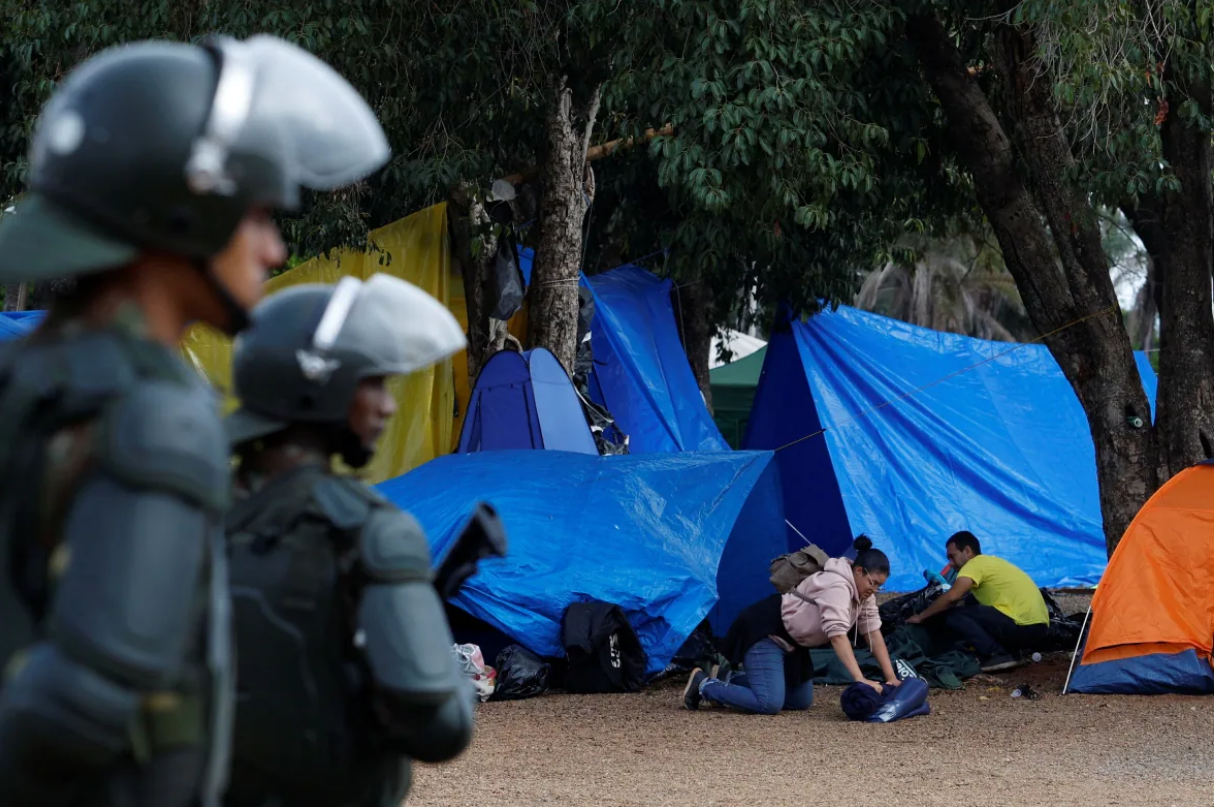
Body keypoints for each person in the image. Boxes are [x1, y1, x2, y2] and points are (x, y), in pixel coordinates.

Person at [0, 34, 389, 807]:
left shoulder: (31, 376)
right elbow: (83, 704)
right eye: (258, 216)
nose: (275, 250)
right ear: (186, 205)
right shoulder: (158, 412)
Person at [222, 274, 475, 807]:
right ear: (321, 383)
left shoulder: (185, 512)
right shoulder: (371, 532)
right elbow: (442, 728)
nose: (387, 407)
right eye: (374, 383)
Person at [683, 536, 900, 715]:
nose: (875, 589)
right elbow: (837, 635)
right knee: (769, 702)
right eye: (873, 582)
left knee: (799, 699)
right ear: (859, 571)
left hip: (795, 644)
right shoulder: (838, 586)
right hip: (767, 630)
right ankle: (704, 685)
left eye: (880, 586)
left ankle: (726, 678)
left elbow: (873, 632)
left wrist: (891, 678)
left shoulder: (865, 594)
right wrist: (860, 679)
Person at [907, 530, 1049, 672]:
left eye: (952, 556)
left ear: (967, 551)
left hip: (1022, 625)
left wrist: (921, 617)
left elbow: (952, 597)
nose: (950, 563)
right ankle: (1011, 652)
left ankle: (998, 654)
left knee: (953, 615)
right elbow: (966, 602)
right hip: (1039, 628)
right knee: (970, 604)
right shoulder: (991, 563)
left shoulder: (974, 564)